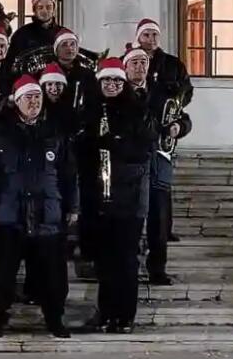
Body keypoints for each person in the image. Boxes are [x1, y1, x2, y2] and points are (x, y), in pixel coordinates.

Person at [0, 75, 78, 339]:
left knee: (53, 275)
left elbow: (68, 173)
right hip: (10, 214)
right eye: (27, 98)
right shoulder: (0, 132)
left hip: (48, 214)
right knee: (5, 273)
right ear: (16, 101)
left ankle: (55, 319)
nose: (33, 102)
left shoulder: (55, 131)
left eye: (37, 97)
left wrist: (73, 206)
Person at [83, 57, 157, 334]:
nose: (111, 85)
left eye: (116, 80)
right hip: (99, 198)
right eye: (106, 80)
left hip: (128, 197)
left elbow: (144, 149)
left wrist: (114, 146)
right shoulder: (91, 110)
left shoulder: (137, 110)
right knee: (104, 261)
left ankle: (125, 315)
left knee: (125, 260)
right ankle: (106, 313)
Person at [125, 43, 192, 286]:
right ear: (126, 67)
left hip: (158, 163)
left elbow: (183, 118)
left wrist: (179, 128)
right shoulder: (117, 92)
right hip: (131, 168)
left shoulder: (162, 93)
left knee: (159, 223)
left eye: (144, 62)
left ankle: (157, 270)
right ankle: (129, 268)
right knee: (130, 223)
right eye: (135, 62)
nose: (140, 67)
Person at [134, 18, 194, 244]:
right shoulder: (130, 61)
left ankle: (163, 231)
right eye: (146, 35)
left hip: (163, 130)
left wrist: (175, 114)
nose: (150, 40)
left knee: (162, 187)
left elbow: (186, 92)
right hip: (140, 133)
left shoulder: (173, 64)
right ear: (138, 37)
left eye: (154, 35)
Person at [7, 0, 59, 64]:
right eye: (40, 7)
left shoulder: (62, 33)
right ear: (34, 10)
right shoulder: (21, 34)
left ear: (53, 10)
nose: (44, 11)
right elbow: (10, 63)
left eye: (48, 7)